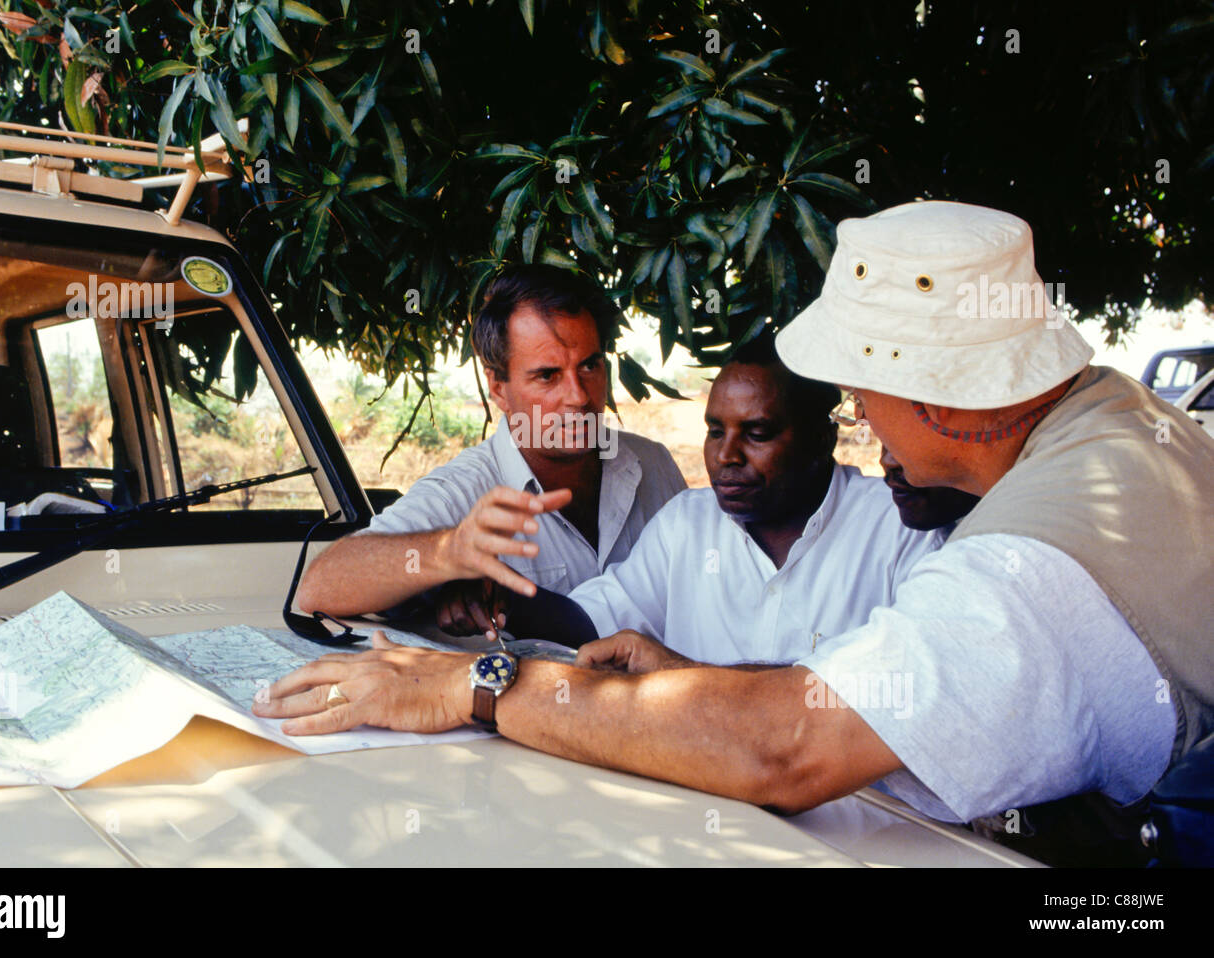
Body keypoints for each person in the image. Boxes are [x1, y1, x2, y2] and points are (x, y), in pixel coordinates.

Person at [254, 201, 1214, 830]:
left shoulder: (1025, 561)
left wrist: (474, 686)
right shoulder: (1117, 419)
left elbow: (786, 745)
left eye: (857, 393)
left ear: (945, 404)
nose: (861, 423)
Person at [293, 264, 686, 623]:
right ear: (498, 387)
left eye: (589, 365)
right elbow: (320, 588)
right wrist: (448, 552)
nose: (579, 396)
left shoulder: (652, 464)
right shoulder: (464, 492)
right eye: (548, 376)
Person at [566, 337, 950, 667]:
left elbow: (901, 687)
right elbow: (590, 620)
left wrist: (681, 674)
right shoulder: (686, 523)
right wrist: (510, 597)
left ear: (821, 440)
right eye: (716, 431)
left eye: (757, 433)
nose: (726, 455)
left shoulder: (899, 529)